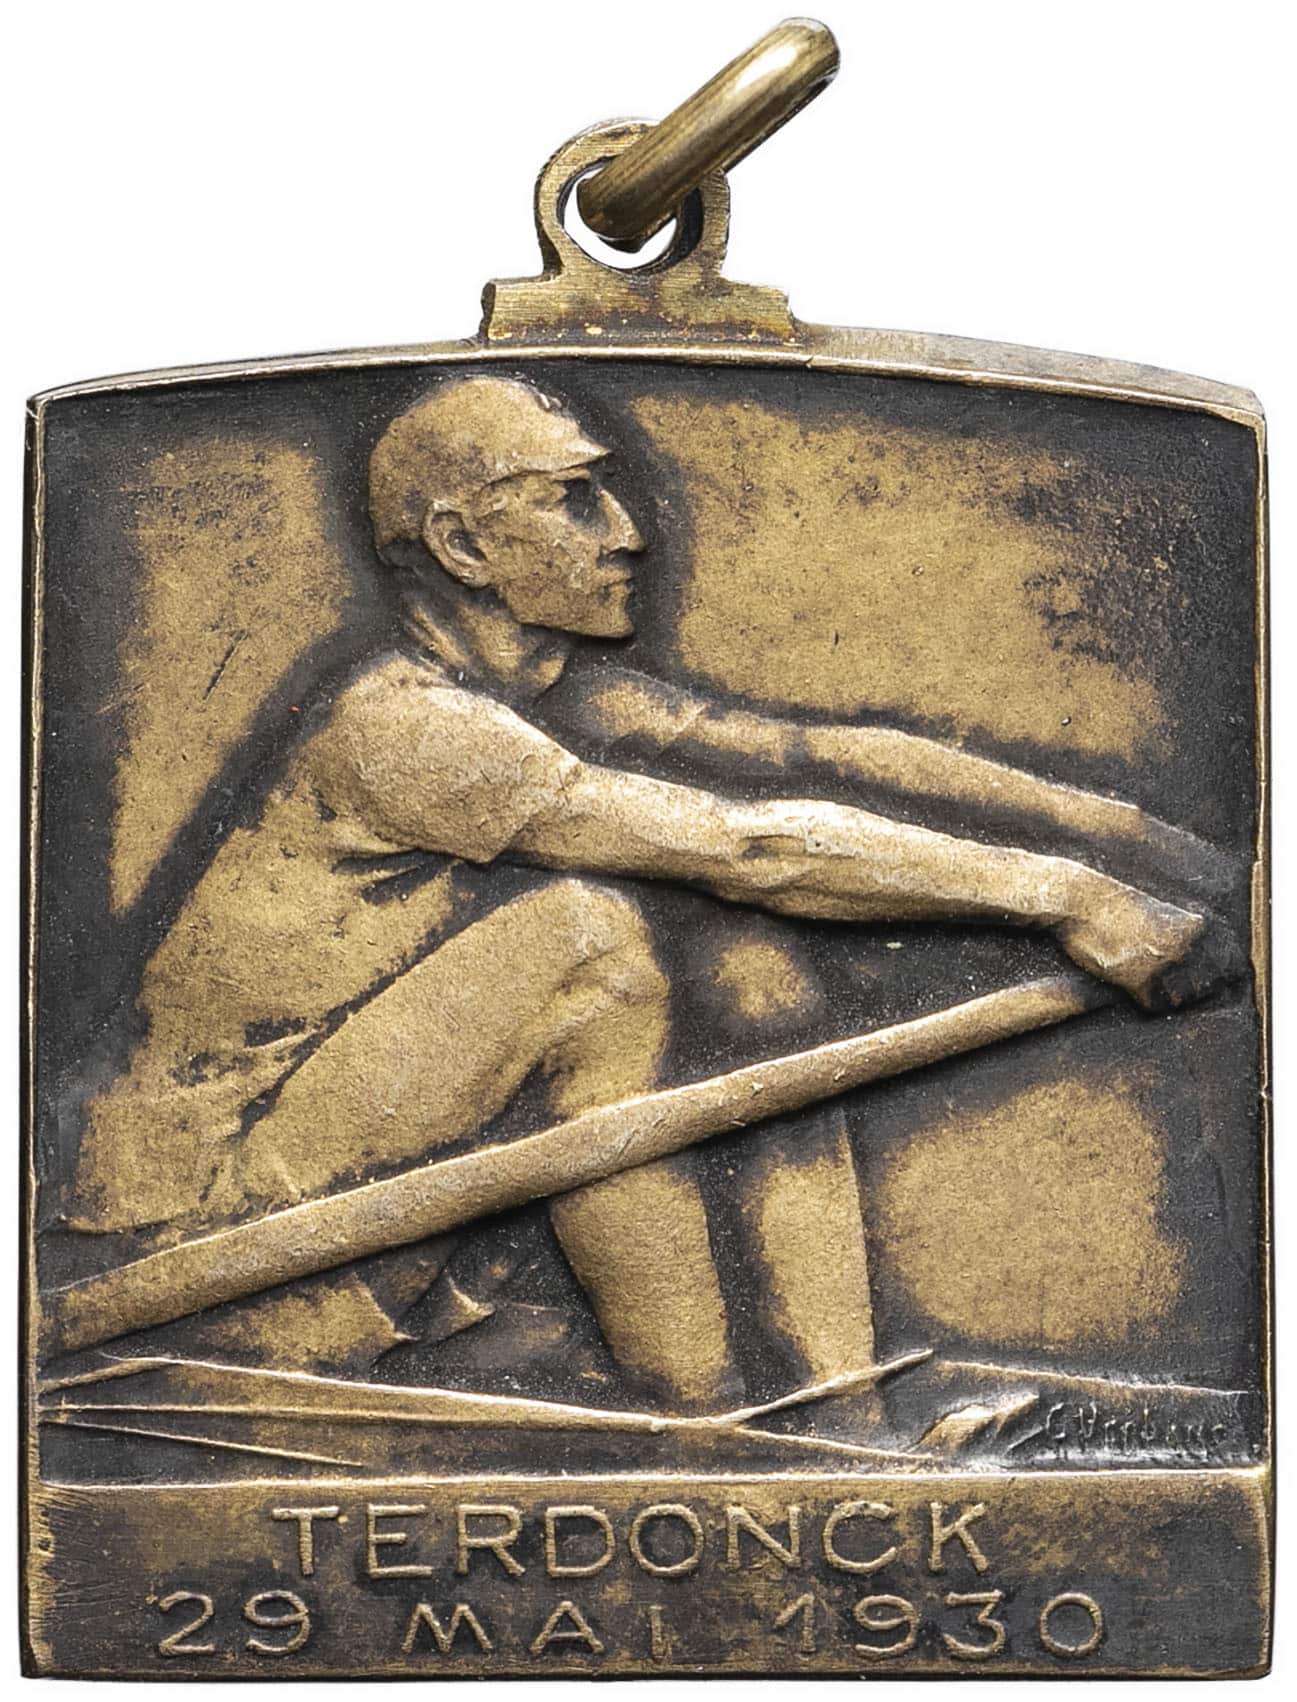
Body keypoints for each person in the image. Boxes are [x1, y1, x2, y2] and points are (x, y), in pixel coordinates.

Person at [72, 375, 1237, 1413]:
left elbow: (817, 755)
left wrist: (1137, 842)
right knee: (590, 942)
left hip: (359, 1176)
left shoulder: (556, 697)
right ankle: (691, 1411)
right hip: (207, 1240)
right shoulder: (404, 730)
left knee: (761, 979)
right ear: (465, 546)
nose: (629, 533)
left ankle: (838, 1411)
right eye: (574, 500)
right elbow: (752, 849)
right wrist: (1071, 899)